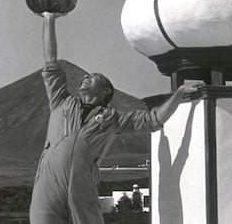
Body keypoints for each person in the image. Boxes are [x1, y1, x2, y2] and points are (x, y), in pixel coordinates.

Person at [29, 12, 202, 224]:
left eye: (93, 78)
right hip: (47, 189)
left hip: (82, 191)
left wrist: (179, 93)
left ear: (105, 92)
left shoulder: (113, 118)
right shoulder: (61, 101)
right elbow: (50, 62)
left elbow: (153, 120)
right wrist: (49, 18)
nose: (85, 77)